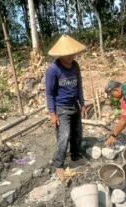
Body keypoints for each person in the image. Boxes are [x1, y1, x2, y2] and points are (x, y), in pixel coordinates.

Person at [45, 35, 88, 180]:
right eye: (67, 54)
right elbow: (49, 93)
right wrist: (52, 113)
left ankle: (75, 156)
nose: (71, 56)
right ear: (61, 54)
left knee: (77, 133)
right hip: (61, 108)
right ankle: (59, 164)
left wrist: (82, 104)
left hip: (74, 105)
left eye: (72, 53)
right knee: (64, 136)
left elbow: (79, 86)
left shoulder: (75, 66)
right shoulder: (53, 69)